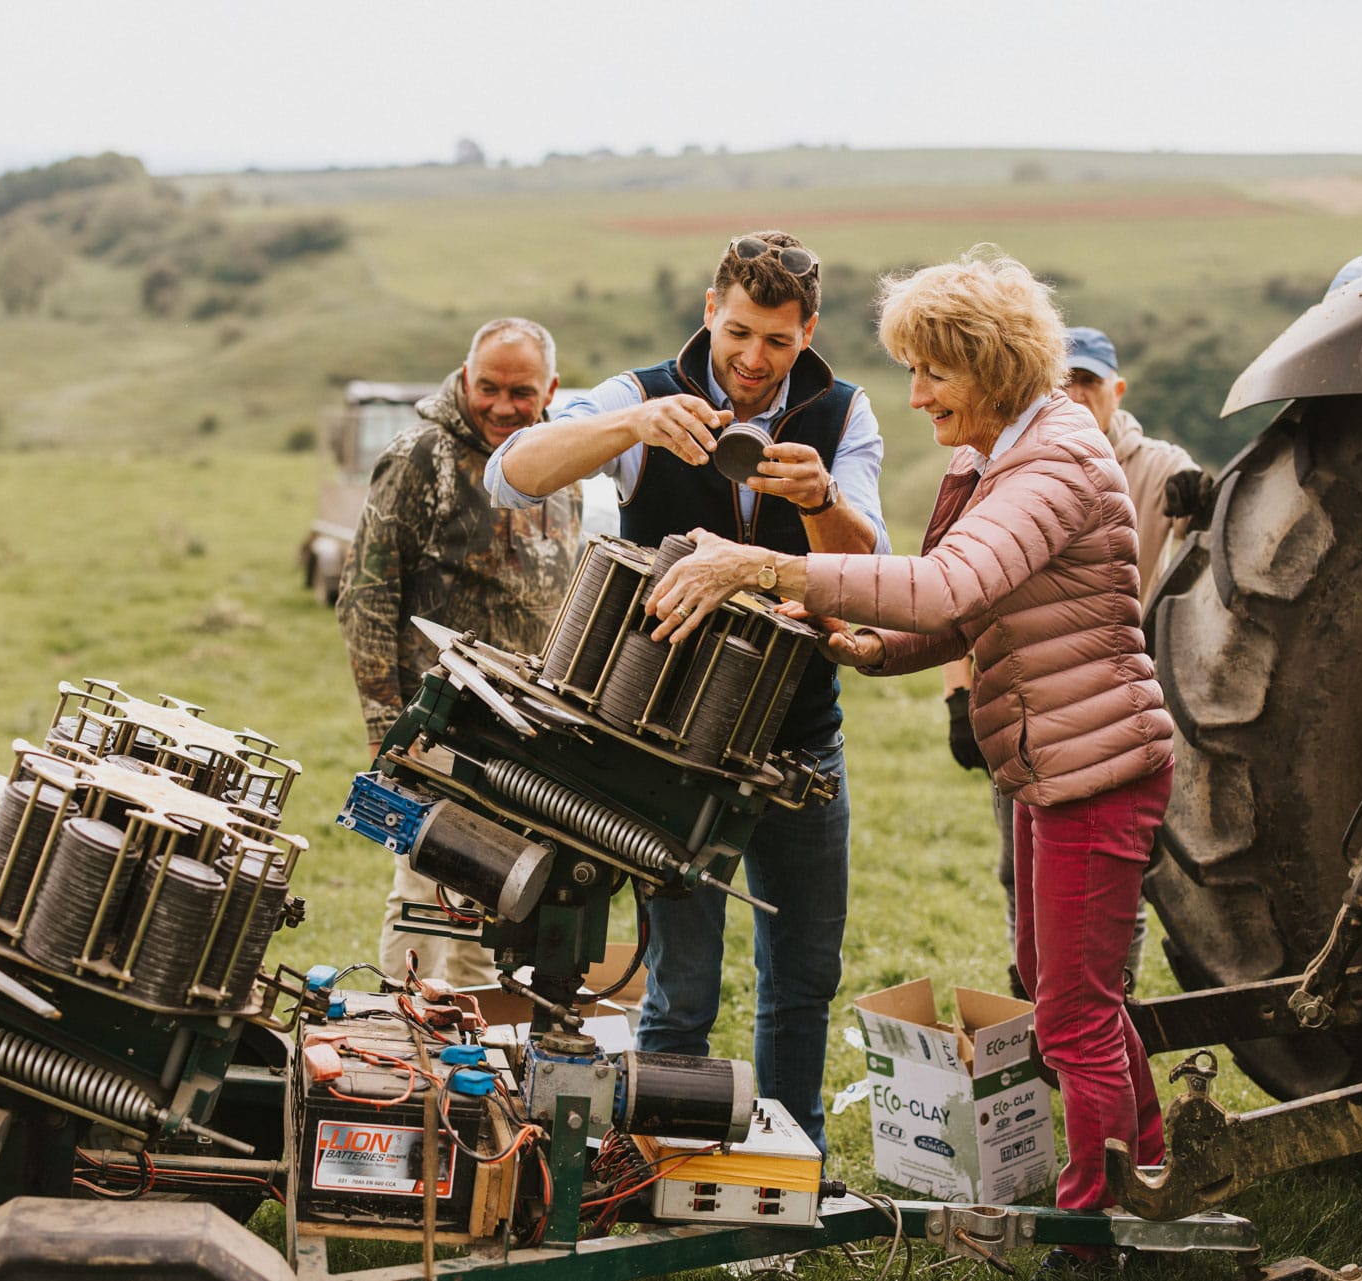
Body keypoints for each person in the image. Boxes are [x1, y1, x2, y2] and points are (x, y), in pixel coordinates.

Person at [644, 250, 1173, 1252]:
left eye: (933, 371)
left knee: (1071, 1018)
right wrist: (876, 651)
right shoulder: (994, 457)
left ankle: (1089, 1228)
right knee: (1065, 992)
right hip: (1048, 764)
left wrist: (770, 564)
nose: (917, 392)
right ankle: (1145, 1166)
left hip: (1095, 772)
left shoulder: (1053, 461)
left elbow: (944, 584)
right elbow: (961, 612)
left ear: (988, 364)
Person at [484, 231, 887, 1154]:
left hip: (800, 740)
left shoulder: (845, 415)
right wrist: (631, 427)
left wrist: (821, 498)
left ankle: (791, 1171)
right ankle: (664, 1166)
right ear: (710, 311)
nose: (752, 360)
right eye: (738, 332)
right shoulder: (641, 392)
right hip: (671, 750)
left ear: (808, 333)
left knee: (804, 978)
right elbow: (509, 475)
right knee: (683, 985)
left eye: (777, 343)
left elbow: (863, 570)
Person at [944, 324, 1214, 996]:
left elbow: (1200, 507)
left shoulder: (1152, 465)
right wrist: (958, 697)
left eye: (1087, 382)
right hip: (1020, 700)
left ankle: (1103, 994)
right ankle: (1033, 989)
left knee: (1115, 877)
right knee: (1021, 866)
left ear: (1115, 390)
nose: (1073, 393)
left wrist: (1201, 502)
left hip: (1109, 710)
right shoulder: (1006, 464)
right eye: (1062, 381)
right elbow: (952, 584)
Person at [336, 317, 581, 987]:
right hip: (437, 727)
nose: (503, 405)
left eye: (522, 391)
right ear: (466, 379)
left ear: (551, 389)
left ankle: (480, 1059)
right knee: (429, 900)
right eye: (489, 387)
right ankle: (406, 1047)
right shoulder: (422, 458)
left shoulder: (564, 467)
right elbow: (365, 598)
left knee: (499, 909)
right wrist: (389, 729)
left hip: (522, 740)